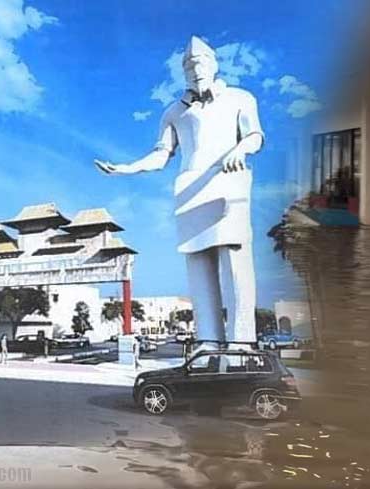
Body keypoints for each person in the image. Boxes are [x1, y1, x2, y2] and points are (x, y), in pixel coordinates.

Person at [95, 36, 263, 350]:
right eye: (189, 66)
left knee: (235, 265)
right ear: (183, 73)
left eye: (201, 64)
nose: (195, 70)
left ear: (214, 64)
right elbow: (161, 154)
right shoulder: (174, 112)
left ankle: (242, 341)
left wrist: (240, 148)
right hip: (189, 190)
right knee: (198, 270)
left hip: (228, 182)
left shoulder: (240, 98)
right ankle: (209, 341)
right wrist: (126, 168)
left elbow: (255, 135)